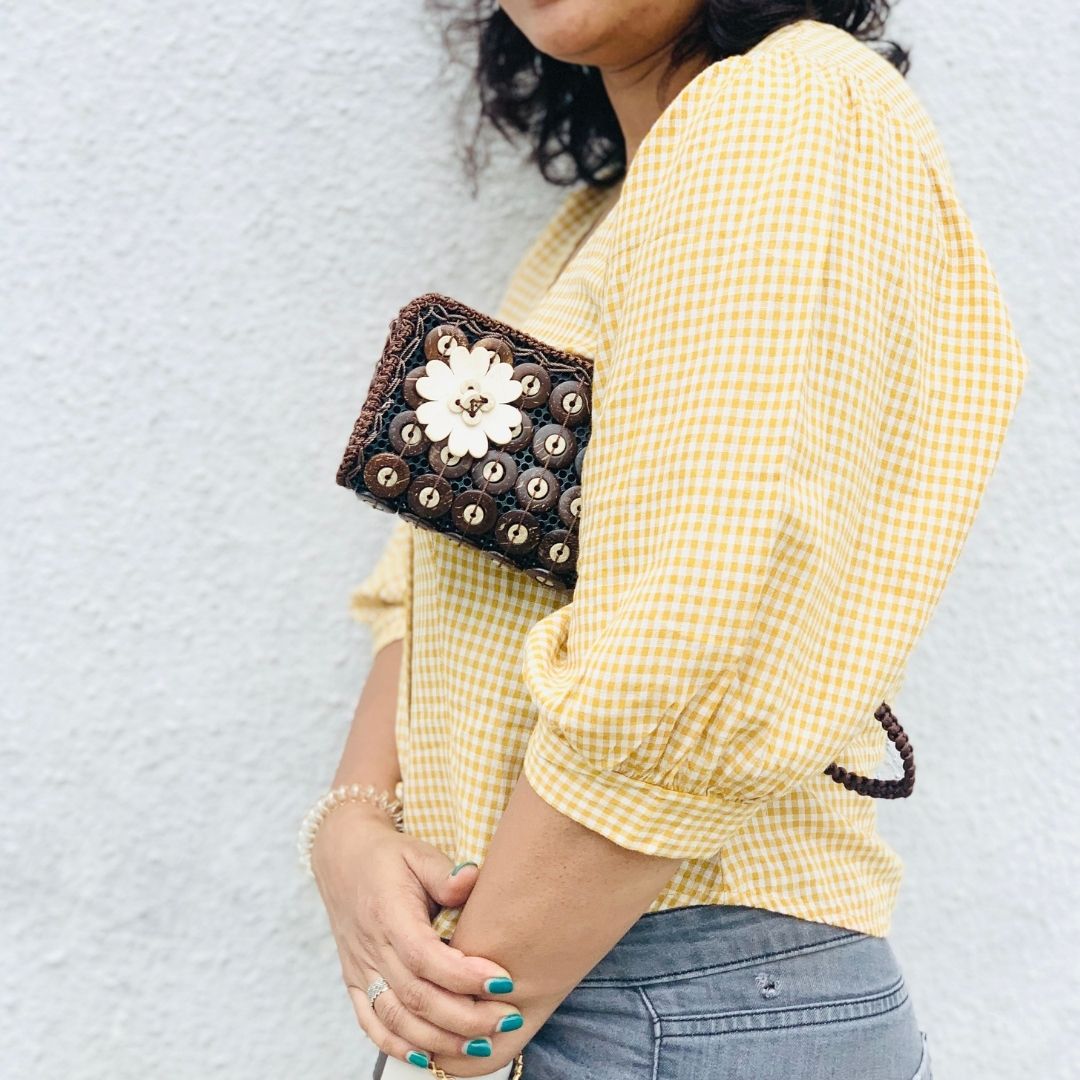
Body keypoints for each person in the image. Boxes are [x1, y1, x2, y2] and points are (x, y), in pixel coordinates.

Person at [306, 4, 1029, 1078]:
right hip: (603, 983)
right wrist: (352, 833)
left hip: (663, 991)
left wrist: (460, 1033)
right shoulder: (603, 218)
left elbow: (699, 639)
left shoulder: (786, 104)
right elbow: (433, 580)